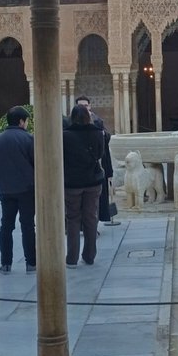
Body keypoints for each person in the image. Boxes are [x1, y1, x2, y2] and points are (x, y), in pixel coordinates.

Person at [0, 105, 36, 275]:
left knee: (6, 226)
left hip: (5, 191)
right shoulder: (29, 139)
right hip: (27, 190)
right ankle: (31, 263)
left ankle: (5, 264)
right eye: (26, 121)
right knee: (27, 225)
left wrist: (0, 181)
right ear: (21, 121)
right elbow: (37, 164)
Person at [63, 103, 104, 267]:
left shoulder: (65, 135)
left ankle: (72, 258)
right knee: (91, 218)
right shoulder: (97, 133)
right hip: (92, 181)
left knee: (73, 219)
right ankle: (89, 255)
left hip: (72, 183)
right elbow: (100, 154)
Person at [74, 95, 116, 224]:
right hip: (78, 167)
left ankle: (93, 225)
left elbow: (107, 137)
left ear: (90, 106)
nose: (84, 108)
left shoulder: (97, 120)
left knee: (96, 200)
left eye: (86, 105)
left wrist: (101, 135)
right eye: (81, 106)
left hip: (96, 166)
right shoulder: (70, 123)